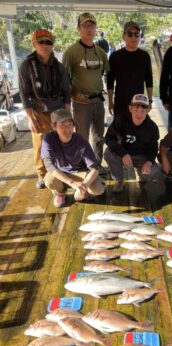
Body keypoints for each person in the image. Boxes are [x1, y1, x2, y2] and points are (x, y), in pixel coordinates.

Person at [19, 29, 71, 189]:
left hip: (57, 112)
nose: (45, 45)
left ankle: (63, 170)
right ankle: (42, 175)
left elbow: (66, 93)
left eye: (49, 42)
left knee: (62, 141)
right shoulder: (26, 65)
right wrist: (30, 118)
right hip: (38, 111)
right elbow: (23, 93)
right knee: (40, 145)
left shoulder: (59, 66)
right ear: (34, 43)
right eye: (41, 42)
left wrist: (67, 114)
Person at [62, 12, 109, 170]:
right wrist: (74, 97)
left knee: (99, 136)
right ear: (78, 28)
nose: (89, 29)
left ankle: (96, 164)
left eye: (92, 25)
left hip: (98, 101)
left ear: (96, 28)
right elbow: (64, 80)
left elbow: (103, 74)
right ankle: (83, 165)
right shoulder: (71, 52)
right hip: (81, 103)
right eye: (85, 25)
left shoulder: (101, 52)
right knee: (82, 136)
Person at [41, 109, 106, 208]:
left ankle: (84, 193)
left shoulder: (81, 141)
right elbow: (49, 165)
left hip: (82, 172)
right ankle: (60, 193)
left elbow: (94, 168)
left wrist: (83, 187)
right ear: (54, 126)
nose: (67, 130)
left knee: (99, 189)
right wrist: (71, 182)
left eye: (70, 125)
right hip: (62, 172)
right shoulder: (48, 139)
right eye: (62, 125)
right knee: (49, 180)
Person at [104, 94, 161, 193]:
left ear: (148, 110)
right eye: (135, 109)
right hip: (123, 154)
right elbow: (109, 138)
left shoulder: (152, 127)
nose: (139, 113)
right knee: (108, 153)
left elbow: (153, 147)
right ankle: (119, 180)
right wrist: (123, 153)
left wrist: (149, 162)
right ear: (130, 108)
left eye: (143, 110)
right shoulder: (121, 119)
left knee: (154, 171)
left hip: (141, 156)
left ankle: (141, 174)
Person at [107, 21, 153, 116]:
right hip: (120, 102)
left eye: (136, 34)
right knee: (119, 130)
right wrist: (110, 101)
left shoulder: (145, 56)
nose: (133, 37)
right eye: (130, 34)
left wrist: (150, 100)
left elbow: (149, 80)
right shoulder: (115, 56)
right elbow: (110, 81)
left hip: (139, 103)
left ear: (140, 37)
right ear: (124, 36)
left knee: (138, 130)